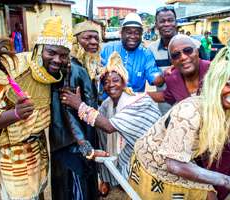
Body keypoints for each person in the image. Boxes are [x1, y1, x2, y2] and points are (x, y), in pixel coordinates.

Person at [129, 41, 230, 200]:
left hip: (180, 162)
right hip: (153, 162)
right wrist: (227, 180)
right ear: (216, 84)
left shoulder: (225, 115)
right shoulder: (190, 112)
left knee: (209, 192)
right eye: (229, 85)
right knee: (209, 193)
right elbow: (174, 164)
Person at [0, 16, 72, 200]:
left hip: (38, 149)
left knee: (38, 192)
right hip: (14, 156)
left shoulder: (53, 74)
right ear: (39, 49)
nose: (58, 60)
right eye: (51, 52)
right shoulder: (13, 70)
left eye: (63, 55)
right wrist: (14, 114)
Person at [60, 52, 161, 197]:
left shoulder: (137, 101)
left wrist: (79, 105)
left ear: (124, 82)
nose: (110, 85)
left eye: (115, 80)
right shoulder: (107, 104)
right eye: (106, 82)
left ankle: (129, 178)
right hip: (127, 150)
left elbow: (108, 127)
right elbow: (97, 121)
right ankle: (111, 179)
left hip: (147, 155)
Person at [49, 20, 107, 200]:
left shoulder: (84, 67)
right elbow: (65, 114)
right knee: (75, 191)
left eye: (96, 38)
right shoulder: (71, 69)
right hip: (72, 148)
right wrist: (83, 146)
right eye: (87, 37)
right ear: (75, 42)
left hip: (78, 144)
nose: (93, 42)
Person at [101, 13, 164, 93]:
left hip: (133, 103)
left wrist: (164, 76)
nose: (133, 36)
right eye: (129, 32)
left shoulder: (146, 54)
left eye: (137, 33)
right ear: (122, 32)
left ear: (141, 35)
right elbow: (97, 72)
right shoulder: (107, 49)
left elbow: (154, 76)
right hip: (107, 101)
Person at [148, 6, 177, 115]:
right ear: (156, 25)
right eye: (162, 21)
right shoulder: (151, 50)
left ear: (176, 22)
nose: (166, 24)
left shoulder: (193, 46)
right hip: (164, 112)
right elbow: (156, 81)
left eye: (170, 20)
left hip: (191, 109)